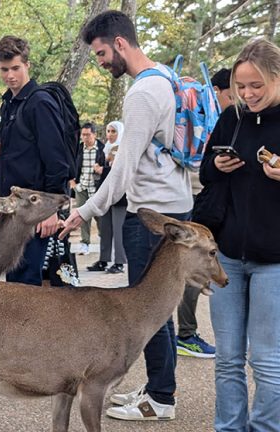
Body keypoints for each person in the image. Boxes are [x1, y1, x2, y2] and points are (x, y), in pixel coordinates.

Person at [61, 10, 193, 421]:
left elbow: (122, 170)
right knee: (160, 308)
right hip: (176, 204)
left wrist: (84, 211)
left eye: (101, 53)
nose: (101, 62)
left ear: (120, 43)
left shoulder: (141, 94)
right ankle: (159, 387)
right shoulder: (167, 78)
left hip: (151, 215)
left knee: (145, 312)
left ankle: (160, 400)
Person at [200, 38, 280, 431]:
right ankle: (228, 427)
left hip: (275, 262)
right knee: (228, 357)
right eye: (241, 86)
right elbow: (204, 173)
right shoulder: (231, 117)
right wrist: (218, 165)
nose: (247, 94)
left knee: (267, 359)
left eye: (256, 86)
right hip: (228, 254)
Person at [0, 35, 71, 286]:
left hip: (37, 210)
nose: (10, 75)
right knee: (16, 280)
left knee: (29, 284)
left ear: (27, 65)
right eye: (4, 69)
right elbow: (31, 143)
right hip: (15, 211)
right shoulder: (10, 103)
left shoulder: (40, 103)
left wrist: (50, 211)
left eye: (16, 68)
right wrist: (5, 146)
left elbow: (57, 161)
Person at [173, 69, 232, 359]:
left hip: (203, 198)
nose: (238, 99)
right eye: (233, 93)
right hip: (198, 199)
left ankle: (186, 332)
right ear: (219, 90)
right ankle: (186, 334)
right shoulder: (211, 113)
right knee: (197, 265)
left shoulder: (219, 115)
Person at [87, 120, 127, 273]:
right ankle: (104, 260)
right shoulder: (105, 149)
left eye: (113, 131)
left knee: (118, 230)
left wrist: (102, 170)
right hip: (105, 194)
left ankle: (119, 262)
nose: (110, 135)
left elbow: (120, 172)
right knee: (105, 229)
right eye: (108, 131)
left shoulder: (123, 149)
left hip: (119, 196)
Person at [71, 122, 105, 255]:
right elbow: (72, 165)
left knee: (100, 216)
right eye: (83, 135)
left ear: (94, 134)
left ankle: (105, 240)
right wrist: (73, 183)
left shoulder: (102, 148)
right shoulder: (78, 149)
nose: (85, 137)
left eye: (88, 134)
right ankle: (85, 243)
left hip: (97, 188)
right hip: (82, 187)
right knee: (83, 216)